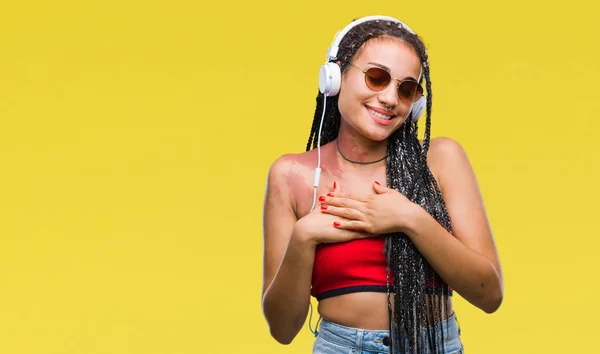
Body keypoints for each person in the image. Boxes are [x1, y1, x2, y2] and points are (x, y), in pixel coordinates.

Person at [261, 15, 504, 354]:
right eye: (377, 78)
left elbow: (489, 294)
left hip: (433, 345)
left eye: (406, 89)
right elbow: (282, 329)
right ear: (335, 77)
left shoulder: (440, 160)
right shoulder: (293, 175)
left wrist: (411, 219)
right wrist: (304, 237)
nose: (391, 98)